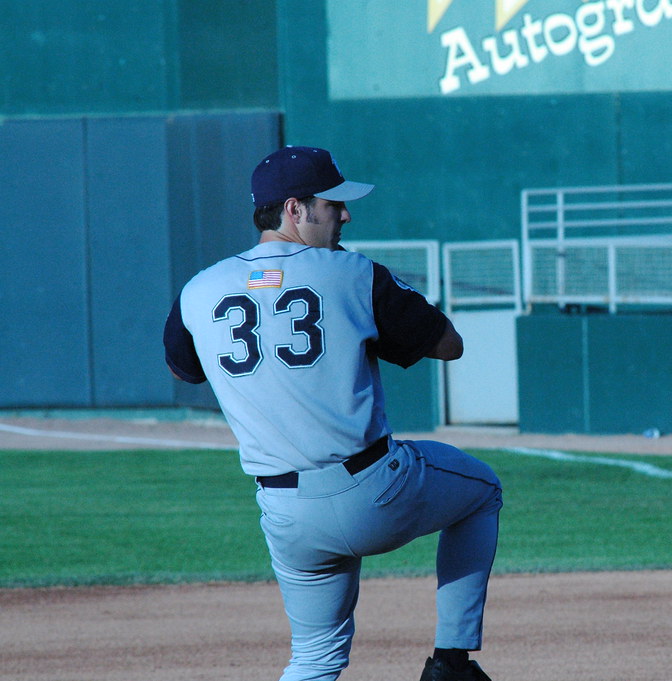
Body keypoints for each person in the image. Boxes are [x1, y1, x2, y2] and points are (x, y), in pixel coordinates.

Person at [163, 145, 503, 681]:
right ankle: (452, 663)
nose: (345, 214)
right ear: (294, 209)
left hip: (286, 514)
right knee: (482, 490)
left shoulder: (198, 288)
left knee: (315, 657)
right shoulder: (353, 274)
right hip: (376, 490)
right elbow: (449, 344)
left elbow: (184, 370)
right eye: (332, 203)